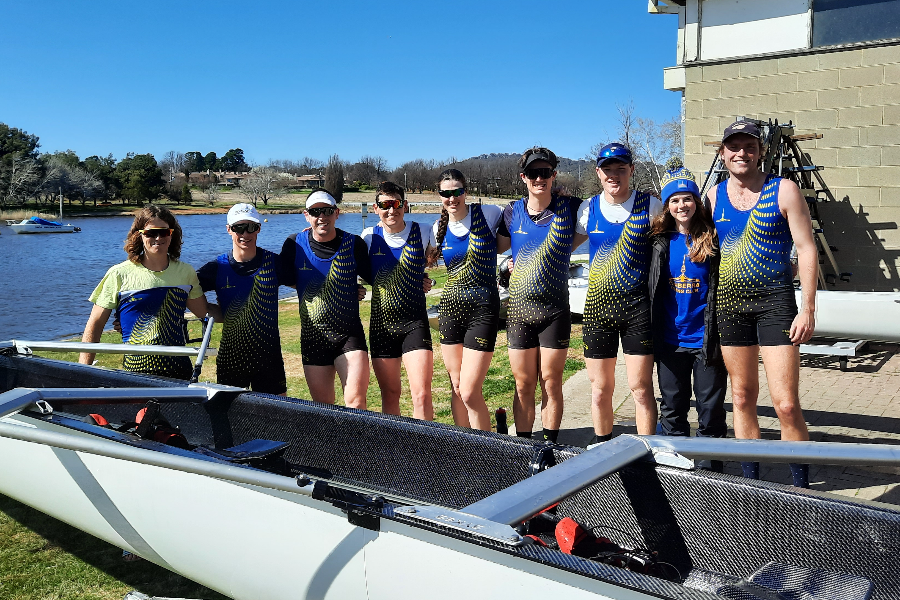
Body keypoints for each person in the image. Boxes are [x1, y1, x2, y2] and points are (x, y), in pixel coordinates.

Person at [709, 119, 817, 488]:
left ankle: (801, 488)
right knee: (741, 397)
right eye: (734, 147)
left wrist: (808, 308)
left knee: (785, 403)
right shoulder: (713, 197)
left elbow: (806, 249)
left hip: (776, 304)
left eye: (749, 147)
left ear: (761, 152)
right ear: (723, 152)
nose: (742, 153)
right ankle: (752, 486)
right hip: (730, 307)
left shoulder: (784, 190)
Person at [574, 143, 662, 445]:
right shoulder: (587, 210)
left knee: (640, 387)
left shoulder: (650, 207)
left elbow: (676, 246)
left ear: (631, 171)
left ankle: (648, 453)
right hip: (598, 312)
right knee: (600, 389)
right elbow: (560, 248)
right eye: (608, 169)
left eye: (621, 169)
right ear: (598, 173)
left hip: (638, 311)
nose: (614, 175)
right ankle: (602, 447)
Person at [496, 147, 580, 442]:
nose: (539, 178)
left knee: (551, 382)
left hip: (554, 312)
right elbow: (497, 248)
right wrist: (507, 265)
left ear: (553, 175)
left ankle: (550, 446)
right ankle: (523, 444)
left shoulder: (570, 208)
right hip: (519, 312)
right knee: (523, 383)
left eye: (545, 173)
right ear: (524, 177)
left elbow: (591, 230)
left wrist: (559, 251)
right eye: (534, 173)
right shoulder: (511, 212)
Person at [649, 168, 727, 471]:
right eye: (675, 200)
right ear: (667, 205)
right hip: (670, 340)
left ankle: (711, 473)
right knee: (672, 409)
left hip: (706, 339)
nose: (682, 205)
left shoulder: (712, 239)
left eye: (688, 199)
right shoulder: (658, 242)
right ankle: (674, 470)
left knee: (710, 410)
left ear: (697, 202)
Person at [79, 205, 209, 380]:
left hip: (180, 372)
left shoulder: (186, 272)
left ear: (172, 234)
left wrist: (240, 310)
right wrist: (81, 373)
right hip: (136, 373)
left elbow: (203, 312)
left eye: (163, 232)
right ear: (139, 235)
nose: (158, 237)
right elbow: (94, 325)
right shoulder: (119, 273)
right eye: (150, 233)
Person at [280, 189, 372, 408]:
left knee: (356, 402)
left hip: (348, 335)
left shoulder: (354, 244)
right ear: (306, 215)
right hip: (314, 338)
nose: (322, 216)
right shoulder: (294, 244)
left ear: (337, 213)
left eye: (327, 211)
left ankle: (359, 443)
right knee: (324, 409)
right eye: (315, 211)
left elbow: (377, 276)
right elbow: (279, 276)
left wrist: (420, 272)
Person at [428, 169, 503, 431]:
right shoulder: (437, 228)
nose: (452, 198)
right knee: (457, 387)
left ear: (466, 192)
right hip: (450, 311)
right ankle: (464, 447)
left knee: (471, 391)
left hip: (483, 311)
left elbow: (525, 219)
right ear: (440, 196)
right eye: (446, 193)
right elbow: (418, 258)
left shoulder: (489, 214)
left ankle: (486, 450)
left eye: (457, 191)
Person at [361, 181, 436, 420]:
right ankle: (395, 451)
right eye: (385, 205)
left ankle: (424, 450)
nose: (392, 210)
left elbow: (434, 260)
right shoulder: (368, 237)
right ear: (375, 208)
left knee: (422, 395)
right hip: (382, 327)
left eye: (397, 204)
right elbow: (351, 272)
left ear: (405, 205)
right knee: (390, 394)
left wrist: (426, 279)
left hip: (414, 323)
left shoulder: (424, 231)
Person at [197, 203, 287, 395]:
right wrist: (219, 313)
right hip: (232, 358)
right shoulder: (217, 267)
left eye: (251, 227)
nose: (245, 234)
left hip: (269, 357)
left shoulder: (275, 263)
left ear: (259, 229)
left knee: (276, 418)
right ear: (229, 229)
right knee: (232, 420)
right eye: (239, 227)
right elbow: (184, 292)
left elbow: (307, 281)